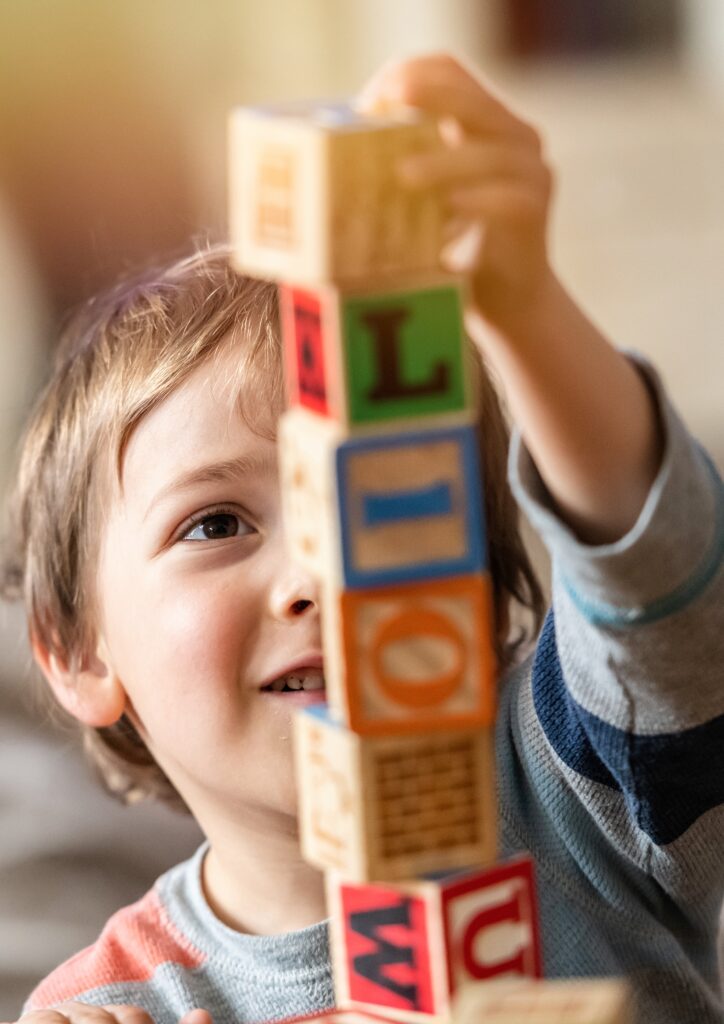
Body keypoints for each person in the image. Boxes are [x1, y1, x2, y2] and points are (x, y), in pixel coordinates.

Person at [1, 53, 722, 1024]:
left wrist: (525, 306)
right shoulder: (107, 1007)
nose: (321, 573)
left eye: (393, 505)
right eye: (215, 523)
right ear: (76, 648)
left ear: (483, 579)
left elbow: (654, 577)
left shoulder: (587, 790)